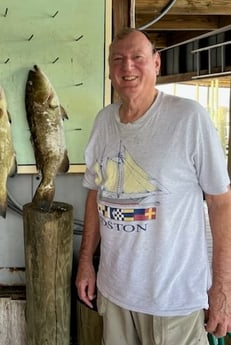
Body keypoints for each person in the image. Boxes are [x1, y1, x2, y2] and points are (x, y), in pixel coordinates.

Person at [75, 28, 231, 345]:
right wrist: (86, 263)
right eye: (118, 59)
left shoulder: (189, 118)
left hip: (173, 302)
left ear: (156, 63)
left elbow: (220, 203)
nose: (127, 67)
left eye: (137, 58)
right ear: (109, 69)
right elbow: (95, 194)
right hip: (115, 295)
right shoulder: (103, 122)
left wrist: (222, 287)